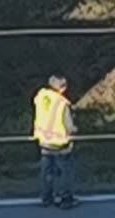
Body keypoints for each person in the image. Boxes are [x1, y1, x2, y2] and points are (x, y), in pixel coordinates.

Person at [33, 75, 78, 209]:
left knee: (46, 171)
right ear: (63, 88)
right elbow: (69, 127)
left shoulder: (41, 96)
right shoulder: (62, 103)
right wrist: (75, 129)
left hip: (43, 140)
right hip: (59, 143)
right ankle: (66, 199)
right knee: (64, 171)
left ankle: (46, 198)